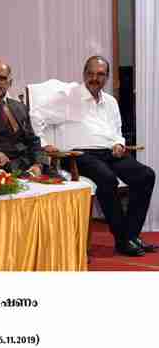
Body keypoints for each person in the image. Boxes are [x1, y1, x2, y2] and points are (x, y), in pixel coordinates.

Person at [31, 56, 156, 257]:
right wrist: (44, 144)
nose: (94, 78)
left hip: (109, 152)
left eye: (100, 74)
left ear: (106, 77)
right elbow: (36, 115)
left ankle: (130, 235)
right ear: (84, 74)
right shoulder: (68, 97)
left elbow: (117, 130)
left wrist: (118, 143)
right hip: (79, 154)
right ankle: (123, 239)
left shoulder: (111, 102)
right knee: (106, 179)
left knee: (146, 175)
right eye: (90, 73)